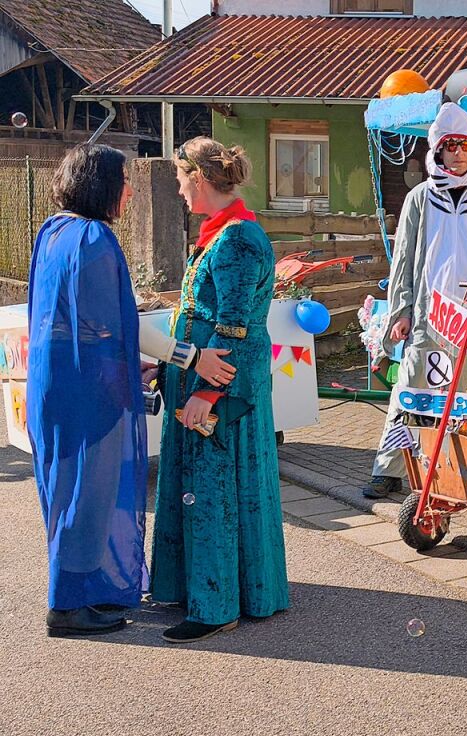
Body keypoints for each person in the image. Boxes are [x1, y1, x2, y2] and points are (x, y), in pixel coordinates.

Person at [26, 144, 236, 638]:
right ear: (100, 184)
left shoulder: (54, 230)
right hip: (83, 391)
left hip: (57, 381)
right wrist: (188, 356)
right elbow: (120, 323)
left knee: (67, 492)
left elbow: (76, 322)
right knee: (88, 493)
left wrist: (120, 360)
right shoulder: (95, 238)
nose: (130, 189)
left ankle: (79, 592)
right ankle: (66, 607)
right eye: (123, 180)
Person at [151, 137, 289, 643]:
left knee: (212, 492)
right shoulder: (220, 235)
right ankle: (215, 588)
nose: (181, 190)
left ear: (202, 180)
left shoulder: (236, 240)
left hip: (220, 388)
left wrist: (206, 395)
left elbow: (232, 327)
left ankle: (216, 606)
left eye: (182, 180)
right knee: (209, 489)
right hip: (202, 376)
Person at [363, 102, 467, 499]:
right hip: (428, 317)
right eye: (451, 146)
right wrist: (400, 309)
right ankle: (390, 467)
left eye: (466, 146)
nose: (459, 154)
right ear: (438, 152)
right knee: (412, 390)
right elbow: (405, 260)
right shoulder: (419, 198)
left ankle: (463, 470)